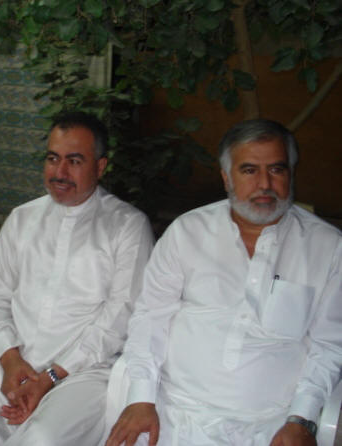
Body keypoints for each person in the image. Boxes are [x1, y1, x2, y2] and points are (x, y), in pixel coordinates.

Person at [0, 112, 155, 446]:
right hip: (10, 355)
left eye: (74, 161)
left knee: (40, 441)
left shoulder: (127, 227)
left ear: (100, 166)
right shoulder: (23, 218)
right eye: (53, 159)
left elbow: (119, 319)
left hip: (81, 371)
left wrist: (50, 377)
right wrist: (10, 358)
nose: (60, 172)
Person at [106, 119, 342, 446]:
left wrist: (302, 419)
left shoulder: (328, 248)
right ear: (227, 177)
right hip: (174, 413)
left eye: (276, 169)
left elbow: (329, 345)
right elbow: (150, 317)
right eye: (249, 170)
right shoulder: (187, 231)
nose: (265, 184)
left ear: (291, 173)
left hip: (269, 427)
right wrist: (141, 399)